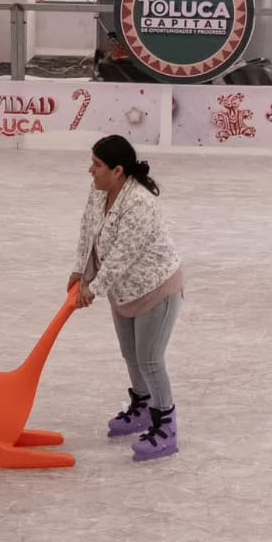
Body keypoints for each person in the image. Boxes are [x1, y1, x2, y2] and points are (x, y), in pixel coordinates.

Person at [69, 135, 184, 461]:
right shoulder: (99, 190)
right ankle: (144, 407)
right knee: (130, 354)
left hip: (154, 289)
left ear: (118, 170)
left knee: (149, 357)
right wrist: (79, 271)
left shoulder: (140, 203)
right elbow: (87, 229)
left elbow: (123, 255)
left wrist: (93, 288)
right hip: (123, 289)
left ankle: (166, 424)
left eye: (97, 165)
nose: (90, 170)